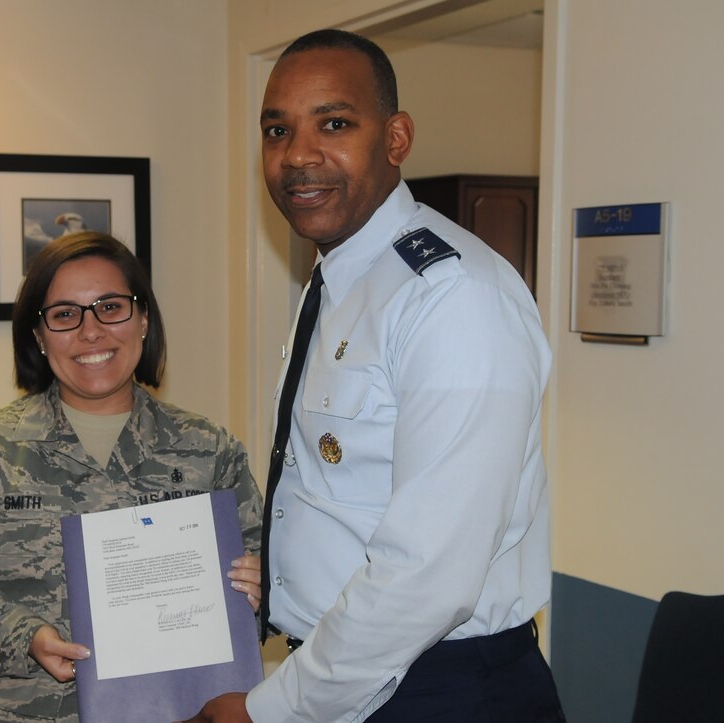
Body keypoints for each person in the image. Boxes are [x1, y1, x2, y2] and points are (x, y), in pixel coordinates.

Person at [183, 29, 564, 722]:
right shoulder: (340, 280)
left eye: (334, 123)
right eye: (277, 130)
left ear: (396, 138)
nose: (298, 156)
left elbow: (427, 573)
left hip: (441, 690)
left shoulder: (451, 296)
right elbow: (348, 494)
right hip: (351, 674)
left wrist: (269, 710)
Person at [0, 231, 264, 723]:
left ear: (143, 319)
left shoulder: (209, 450)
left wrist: (265, 589)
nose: (91, 332)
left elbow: (269, 576)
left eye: (110, 307)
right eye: (65, 314)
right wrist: (23, 636)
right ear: (38, 335)